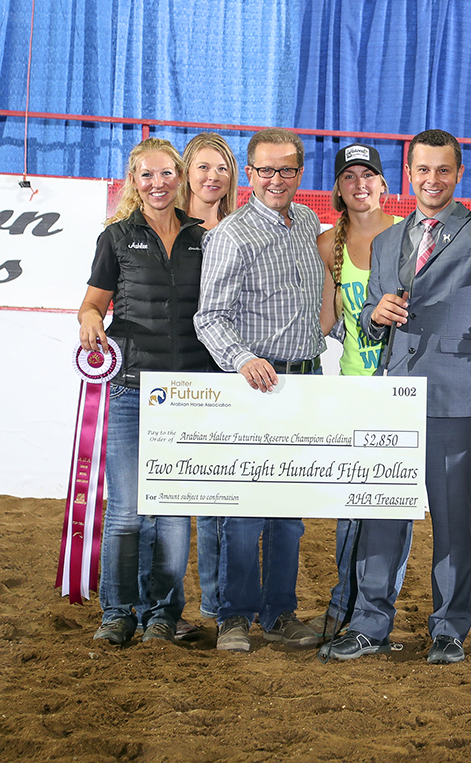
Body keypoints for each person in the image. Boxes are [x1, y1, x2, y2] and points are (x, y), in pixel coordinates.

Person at [317, 129, 471, 664]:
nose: (432, 180)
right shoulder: (386, 241)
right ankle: (369, 624)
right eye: (423, 170)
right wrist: (375, 314)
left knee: (452, 520)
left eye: (443, 170)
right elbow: (368, 323)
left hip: (455, 396)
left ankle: (449, 628)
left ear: (458, 174)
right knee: (381, 516)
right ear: (409, 174)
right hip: (392, 395)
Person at [194, 127, 327, 653]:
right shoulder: (231, 235)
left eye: (286, 169)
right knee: (245, 511)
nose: (276, 179)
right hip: (256, 385)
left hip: (305, 380)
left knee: (288, 512)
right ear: (249, 174)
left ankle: (278, 613)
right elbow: (209, 317)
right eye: (266, 170)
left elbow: (315, 300)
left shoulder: (308, 222)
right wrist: (243, 360)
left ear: (299, 173)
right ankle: (234, 617)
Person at [79, 137, 216, 646]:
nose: (158, 184)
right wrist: (89, 321)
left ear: (179, 178)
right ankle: (117, 613)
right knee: (127, 511)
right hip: (131, 389)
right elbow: (92, 304)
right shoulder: (115, 238)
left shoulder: (204, 238)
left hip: (189, 394)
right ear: (134, 183)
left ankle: (162, 614)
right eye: (147, 175)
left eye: (166, 174)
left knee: (174, 511)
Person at [169, 132, 240, 640]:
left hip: (225, 375)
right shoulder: (166, 230)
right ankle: (163, 610)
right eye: (203, 167)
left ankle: (218, 607)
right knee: (170, 501)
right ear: (186, 173)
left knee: (219, 499)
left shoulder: (237, 230)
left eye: (222, 168)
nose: (212, 177)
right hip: (178, 374)